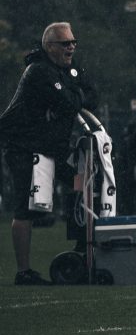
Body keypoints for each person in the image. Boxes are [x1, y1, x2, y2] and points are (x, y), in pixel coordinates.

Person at [0, 22, 93, 285]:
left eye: (73, 42)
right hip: (24, 146)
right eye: (65, 43)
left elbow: (90, 96)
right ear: (49, 46)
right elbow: (69, 102)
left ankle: (80, 245)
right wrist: (74, 95)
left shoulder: (65, 71)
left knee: (82, 184)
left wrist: (73, 95)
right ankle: (23, 271)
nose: (71, 47)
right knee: (25, 207)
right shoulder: (39, 71)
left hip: (50, 148)